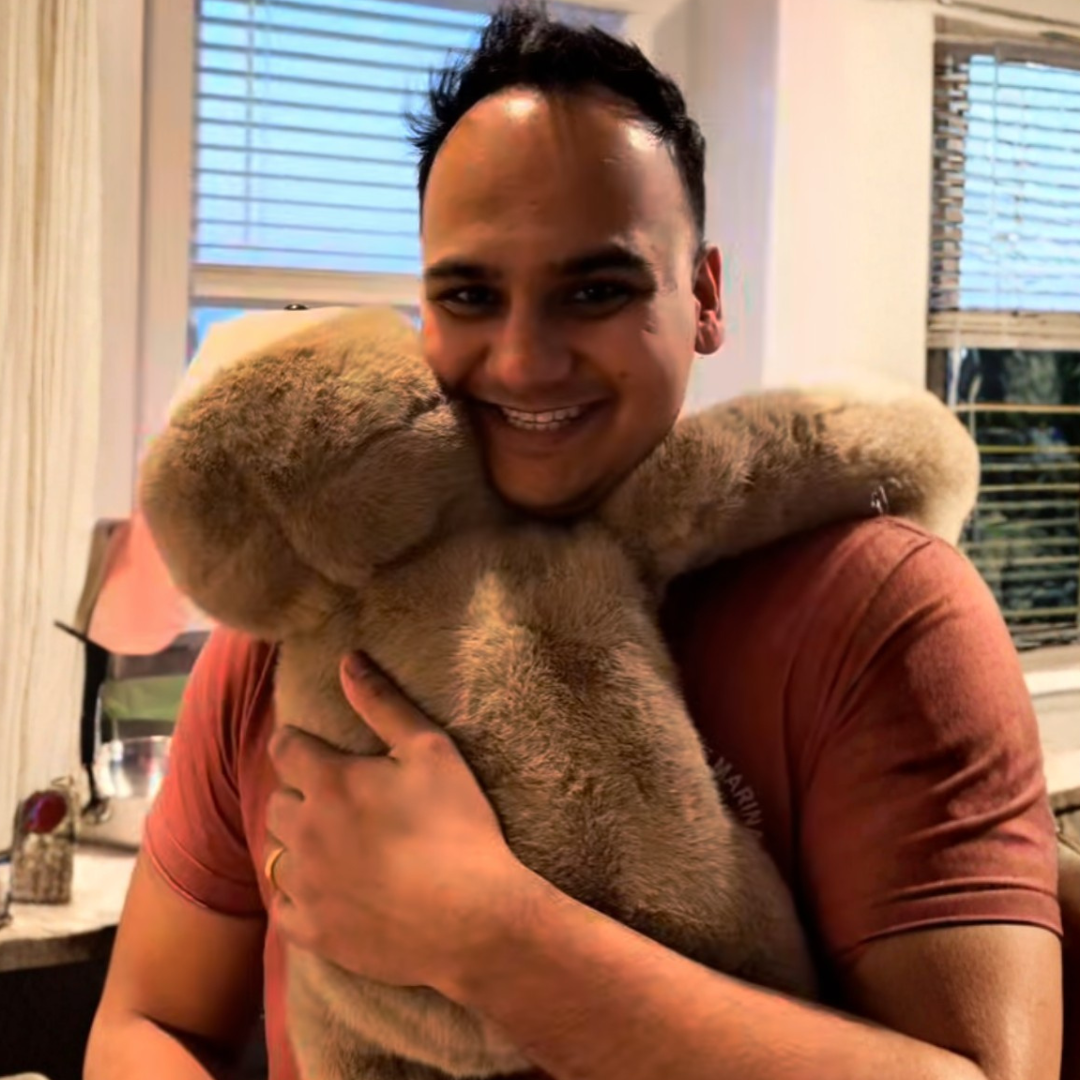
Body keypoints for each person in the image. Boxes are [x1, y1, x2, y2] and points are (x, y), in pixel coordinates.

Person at [84, 5, 1064, 1079]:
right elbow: (150, 1024)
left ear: (705, 298)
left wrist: (497, 942)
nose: (522, 362)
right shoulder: (307, 611)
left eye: (596, 291)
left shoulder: (882, 614)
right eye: (471, 294)